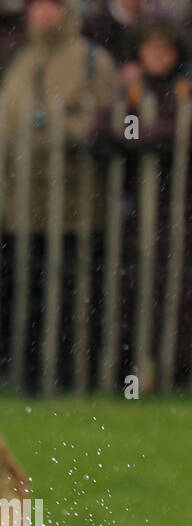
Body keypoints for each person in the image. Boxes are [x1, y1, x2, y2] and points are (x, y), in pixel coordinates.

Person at [93, 11, 192, 389]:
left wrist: (140, 136)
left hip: (190, 209)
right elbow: (105, 128)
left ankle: (191, 373)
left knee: (191, 294)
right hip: (139, 212)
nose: (158, 54)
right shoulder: (132, 88)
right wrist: (147, 136)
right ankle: (132, 373)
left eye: (164, 47)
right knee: (135, 293)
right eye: (150, 47)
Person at [0, 0, 116, 392]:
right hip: (20, 207)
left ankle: (71, 378)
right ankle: (26, 377)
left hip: (73, 207)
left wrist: (53, 131)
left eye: (52, 5)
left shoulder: (92, 61)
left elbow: (103, 123)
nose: (44, 14)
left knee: (72, 299)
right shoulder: (21, 62)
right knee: (23, 296)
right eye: (37, 6)